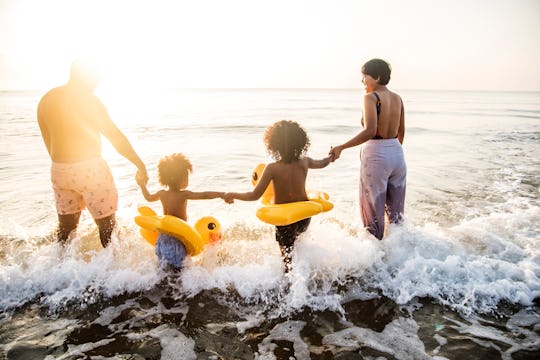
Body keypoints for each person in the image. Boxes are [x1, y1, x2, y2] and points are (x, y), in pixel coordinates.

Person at [37, 59, 148, 248]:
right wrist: (140, 164)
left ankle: (57, 272)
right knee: (107, 229)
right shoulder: (89, 100)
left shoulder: (47, 99)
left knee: (66, 230)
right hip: (90, 169)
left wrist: (64, 165)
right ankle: (112, 274)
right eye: (96, 76)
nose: (99, 81)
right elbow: (114, 137)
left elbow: (48, 141)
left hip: (59, 170)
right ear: (86, 77)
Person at [223, 120, 333, 271]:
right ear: (301, 142)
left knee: (287, 259)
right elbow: (322, 163)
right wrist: (331, 157)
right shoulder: (305, 162)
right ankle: (304, 272)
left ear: (273, 146)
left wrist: (233, 194)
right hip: (304, 216)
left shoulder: (272, 168)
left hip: (284, 220)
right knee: (299, 243)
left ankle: (290, 281)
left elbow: (254, 195)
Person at [329, 58, 406, 240]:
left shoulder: (370, 98)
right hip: (397, 154)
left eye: (365, 77)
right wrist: (391, 151)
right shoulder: (398, 98)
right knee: (396, 215)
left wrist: (342, 147)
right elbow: (401, 131)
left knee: (372, 214)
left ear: (377, 77)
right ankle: (400, 256)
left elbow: (370, 130)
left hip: (377, 155)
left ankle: (374, 264)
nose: (362, 81)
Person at [136, 152, 225, 269]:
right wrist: (222, 194)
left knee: (163, 270)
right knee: (180, 273)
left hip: (161, 240)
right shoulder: (183, 195)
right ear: (182, 178)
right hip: (177, 242)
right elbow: (204, 195)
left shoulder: (162, 194)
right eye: (186, 176)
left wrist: (142, 185)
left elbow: (148, 197)